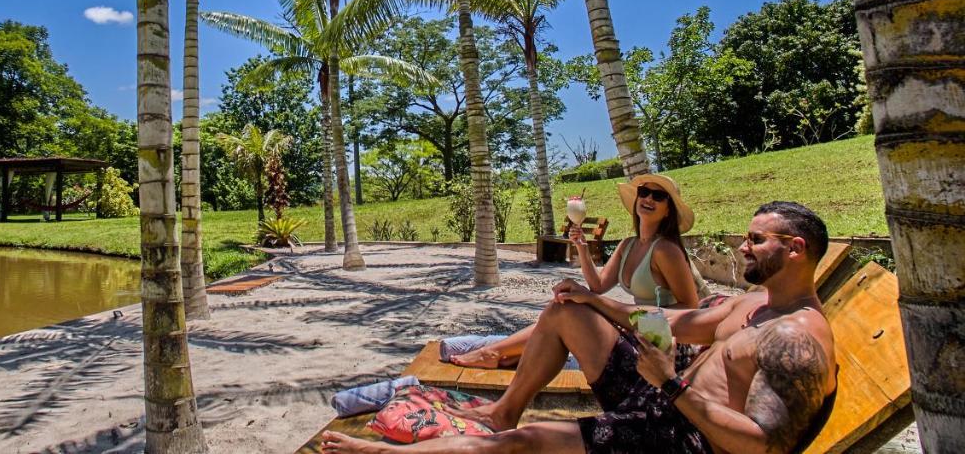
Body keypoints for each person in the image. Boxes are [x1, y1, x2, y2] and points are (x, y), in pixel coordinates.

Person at [322, 201, 838, 454]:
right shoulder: (751, 305)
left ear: (795, 250)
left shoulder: (794, 340)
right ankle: (502, 409)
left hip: (678, 434)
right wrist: (594, 300)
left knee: (529, 442)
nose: (742, 247)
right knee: (568, 311)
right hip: (659, 392)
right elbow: (666, 321)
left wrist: (670, 382)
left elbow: (764, 446)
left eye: (756, 239)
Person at [451, 173, 704, 369]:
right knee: (565, 305)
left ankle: (496, 352)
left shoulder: (665, 251)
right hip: (637, 329)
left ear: (668, 209)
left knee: (569, 311)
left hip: (663, 344)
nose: (648, 199)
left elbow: (690, 308)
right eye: (644, 192)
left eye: (658, 197)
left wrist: (633, 317)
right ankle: (501, 353)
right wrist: (582, 247)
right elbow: (598, 286)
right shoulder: (629, 245)